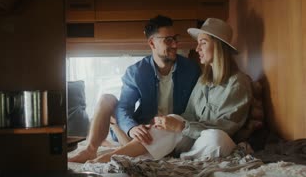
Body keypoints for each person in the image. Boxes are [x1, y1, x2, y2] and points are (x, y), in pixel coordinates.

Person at [90, 18, 253, 163]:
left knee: (217, 138)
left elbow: (226, 128)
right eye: (168, 40)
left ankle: (176, 161)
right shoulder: (204, 80)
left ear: (218, 47)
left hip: (209, 140)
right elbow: (190, 113)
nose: (197, 49)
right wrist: (169, 123)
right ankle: (109, 157)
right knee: (172, 118)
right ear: (152, 43)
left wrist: (183, 126)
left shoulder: (237, 83)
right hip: (188, 137)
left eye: (202, 43)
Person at [68, 15, 201, 163]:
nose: (175, 45)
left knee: (124, 125)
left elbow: (197, 108)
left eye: (175, 38)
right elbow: (124, 107)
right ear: (152, 43)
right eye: (168, 40)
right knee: (107, 99)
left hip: (173, 133)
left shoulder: (191, 70)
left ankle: (115, 145)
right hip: (143, 132)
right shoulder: (136, 72)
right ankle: (90, 151)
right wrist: (132, 128)